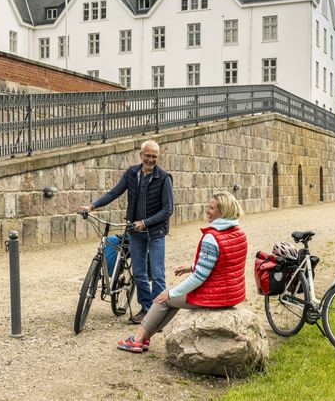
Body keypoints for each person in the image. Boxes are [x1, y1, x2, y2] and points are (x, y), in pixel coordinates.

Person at [116, 191, 247, 353]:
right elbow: (224, 265)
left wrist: (172, 293)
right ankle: (145, 338)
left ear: (223, 211)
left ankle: (137, 339)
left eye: (211, 208)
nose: (207, 210)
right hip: (232, 295)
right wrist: (191, 267)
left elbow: (199, 278)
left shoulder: (212, 237)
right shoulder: (238, 233)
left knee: (163, 298)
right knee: (171, 298)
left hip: (215, 297)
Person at [80, 139, 173, 323]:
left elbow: (168, 209)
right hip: (135, 232)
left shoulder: (164, 177)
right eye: (147, 155)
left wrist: (145, 223)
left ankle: (159, 315)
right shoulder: (132, 173)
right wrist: (92, 206)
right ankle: (146, 309)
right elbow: (114, 193)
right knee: (139, 273)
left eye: (154, 156)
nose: (151, 159)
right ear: (141, 155)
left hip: (155, 233)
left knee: (157, 273)